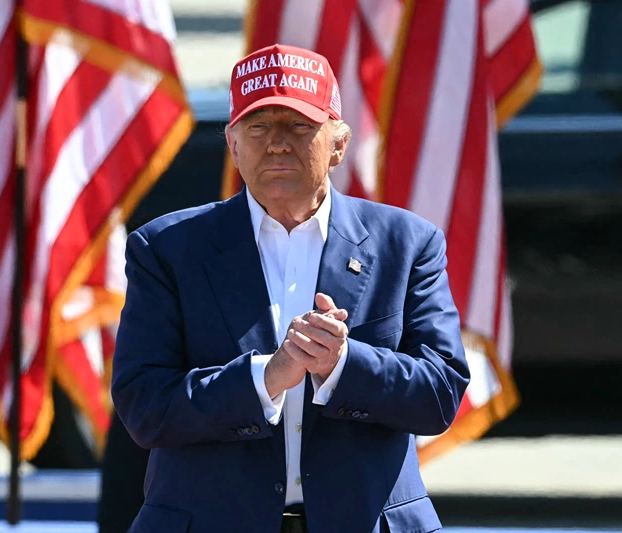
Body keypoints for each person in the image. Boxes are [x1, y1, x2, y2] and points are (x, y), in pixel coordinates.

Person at [111, 43, 470, 533]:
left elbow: (441, 393)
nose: (277, 143)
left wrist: (343, 365)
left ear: (339, 144)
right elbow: (144, 409)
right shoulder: (166, 249)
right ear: (233, 146)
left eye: (299, 126)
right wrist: (265, 379)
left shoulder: (407, 244)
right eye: (258, 128)